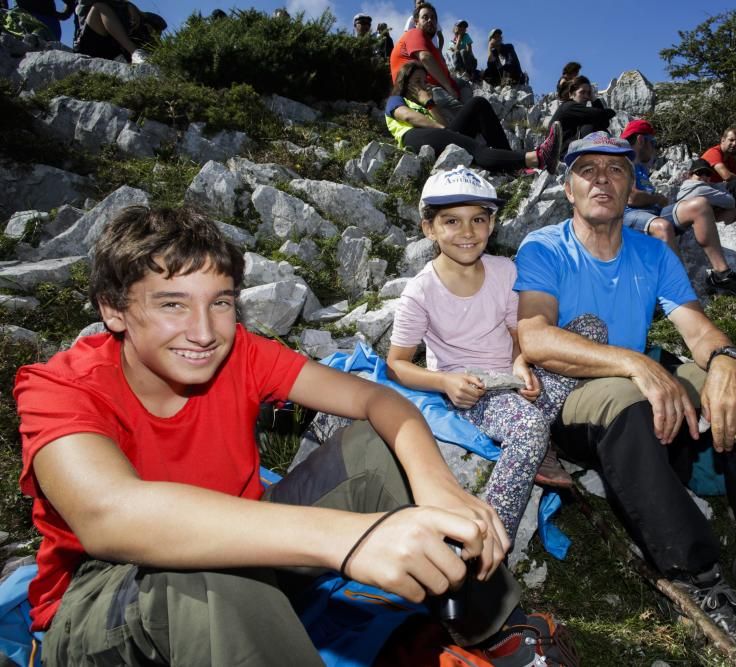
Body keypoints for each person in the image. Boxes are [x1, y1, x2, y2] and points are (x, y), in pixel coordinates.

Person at [15, 205, 578, 667]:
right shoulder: (59, 389)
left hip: (252, 553)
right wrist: (348, 540)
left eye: (221, 303)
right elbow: (111, 516)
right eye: (171, 305)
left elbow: (378, 399)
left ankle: (495, 631)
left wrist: (437, 489)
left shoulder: (240, 353)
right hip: (101, 603)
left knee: (375, 450)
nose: (205, 332)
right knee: (208, 572)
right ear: (114, 311)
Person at [512, 131, 736, 651]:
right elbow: (536, 337)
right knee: (629, 402)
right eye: (587, 170)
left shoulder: (652, 254)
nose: (601, 180)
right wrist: (636, 364)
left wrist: (725, 360)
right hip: (571, 389)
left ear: (632, 184)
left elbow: (695, 326)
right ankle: (694, 574)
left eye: (615, 170)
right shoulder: (544, 246)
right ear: (569, 188)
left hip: (637, 375)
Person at [387, 168, 592, 539]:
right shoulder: (420, 292)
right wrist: (445, 382)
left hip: (515, 379)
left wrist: (521, 361)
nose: (467, 233)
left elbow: (519, 332)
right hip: (473, 392)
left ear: (492, 224)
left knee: (591, 328)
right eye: (451, 221)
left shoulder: (504, 271)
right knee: (528, 427)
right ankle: (490, 538)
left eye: (478, 220)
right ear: (428, 228)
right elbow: (397, 364)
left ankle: (534, 440)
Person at [620, 120, 736, 296]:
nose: (654, 149)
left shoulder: (641, 168)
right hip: (630, 216)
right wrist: (657, 198)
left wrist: (657, 201)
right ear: (640, 140)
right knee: (663, 226)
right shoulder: (622, 161)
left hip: (653, 213)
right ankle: (680, 288)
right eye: (652, 143)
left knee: (700, 205)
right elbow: (631, 197)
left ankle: (721, 273)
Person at [386, 62, 563, 174]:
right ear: (405, 82)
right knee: (474, 148)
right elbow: (407, 116)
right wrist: (443, 130)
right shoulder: (396, 99)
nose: (422, 86)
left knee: (478, 104)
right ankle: (537, 158)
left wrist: (430, 104)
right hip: (412, 136)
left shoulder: (425, 103)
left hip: (435, 134)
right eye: (417, 81)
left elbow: (442, 124)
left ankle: (511, 162)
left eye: (424, 81)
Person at [391, 2, 469, 123]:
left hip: (433, 85)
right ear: (416, 22)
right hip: (422, 88)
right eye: (425, 17)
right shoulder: (414, 33)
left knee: (463, 83)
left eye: (433, 18)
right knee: (465, 116)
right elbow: (425, 57)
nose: (430, 20)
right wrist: (449, 88)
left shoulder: (428, 43)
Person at [73, 1, 163, 64]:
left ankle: (159, 55)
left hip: (111, 43)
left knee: (151, 21)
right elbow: (82, 8)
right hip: (90, 44)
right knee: (99, 7)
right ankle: (136, 53)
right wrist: (128, 5)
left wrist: (134, 10)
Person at [549, 75, 616, 145]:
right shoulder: (569, 106)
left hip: (574, 148)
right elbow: (601, 114)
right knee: (589, 126)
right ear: (571, 94)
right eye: (582, 92)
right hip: (564, 152)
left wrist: (593, 98)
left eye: (588, 93)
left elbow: (604, 123)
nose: (586, 96)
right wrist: (606, 109)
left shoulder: (579, 113)